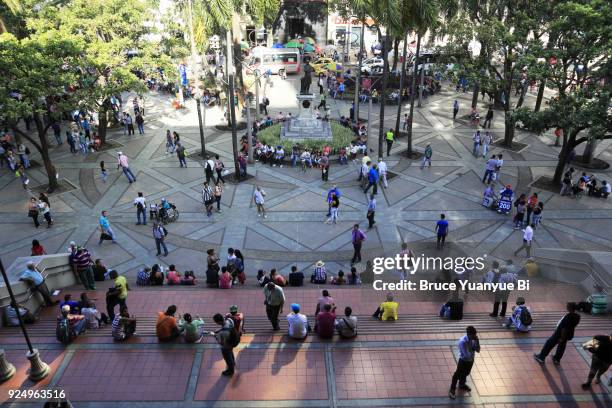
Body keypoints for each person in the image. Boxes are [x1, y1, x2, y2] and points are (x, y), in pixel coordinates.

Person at [448, 326, 481, 399]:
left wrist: (477, 342)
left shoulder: (474, 339)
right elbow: (466, 355)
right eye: (473, 335)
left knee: (466, 373)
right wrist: (473, 348)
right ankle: (452, 389)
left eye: (475, 335)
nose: (475, 336)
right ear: (469, 334)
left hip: (471, 360)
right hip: (463, 361)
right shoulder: (462, 341)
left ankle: (461, 384)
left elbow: (478, 350)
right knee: (457, 374)